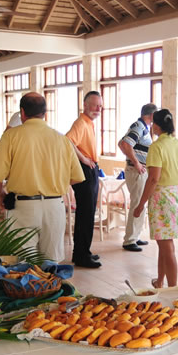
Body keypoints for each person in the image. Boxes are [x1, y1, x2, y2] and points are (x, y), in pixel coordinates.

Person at [0, 93, 84, 262]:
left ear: (22, 113)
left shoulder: (11, 136)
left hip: (23, 207)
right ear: (44, 113)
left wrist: (0, 195)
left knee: (23, 261)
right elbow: (76, 177)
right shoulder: (61, 139)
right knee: (51, 263)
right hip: (55, 206)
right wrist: (54, 183)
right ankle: (52, 288)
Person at [133, 109, 178, 288]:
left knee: (167, 246)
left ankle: (173, 288)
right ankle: (160, 281)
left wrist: (140, 204)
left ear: (157, 126)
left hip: (163, 197)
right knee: (164, 242)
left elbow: (153, 179)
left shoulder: (157, 146)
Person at [66, 91, 103, 268]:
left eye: (100, 106)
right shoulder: (81, 122)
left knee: (88, 213)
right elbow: (68, 141)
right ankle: (81, 255)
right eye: (96, 105)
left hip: (91, 167)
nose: (99, 109)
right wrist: (82, 159)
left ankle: (82, 252)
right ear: (85, 105)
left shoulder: (89, 123)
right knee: (85, 213)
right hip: (85, 170)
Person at [118, 103, 157, 252]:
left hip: (139, 170)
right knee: (137, 203)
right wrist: (136, 163)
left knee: (141, 203)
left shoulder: (141, 127)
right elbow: (125, 144)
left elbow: (121, 143)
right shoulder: (139, 127)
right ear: (151, 115)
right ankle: (129, 240)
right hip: (137, 171)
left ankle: (135, 235)